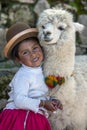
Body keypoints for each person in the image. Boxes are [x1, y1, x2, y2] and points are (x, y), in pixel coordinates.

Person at [0, 22, 63, 130]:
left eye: (35, 48)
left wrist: (53, 101)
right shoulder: (23, 75)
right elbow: (19, 100)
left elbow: (42, 92)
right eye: (25, 52)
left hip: (36, 116)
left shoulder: (44, 72)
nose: (33, 54)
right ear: (18, 59)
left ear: (41, 47)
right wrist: (43, 103)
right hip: (21, 117)